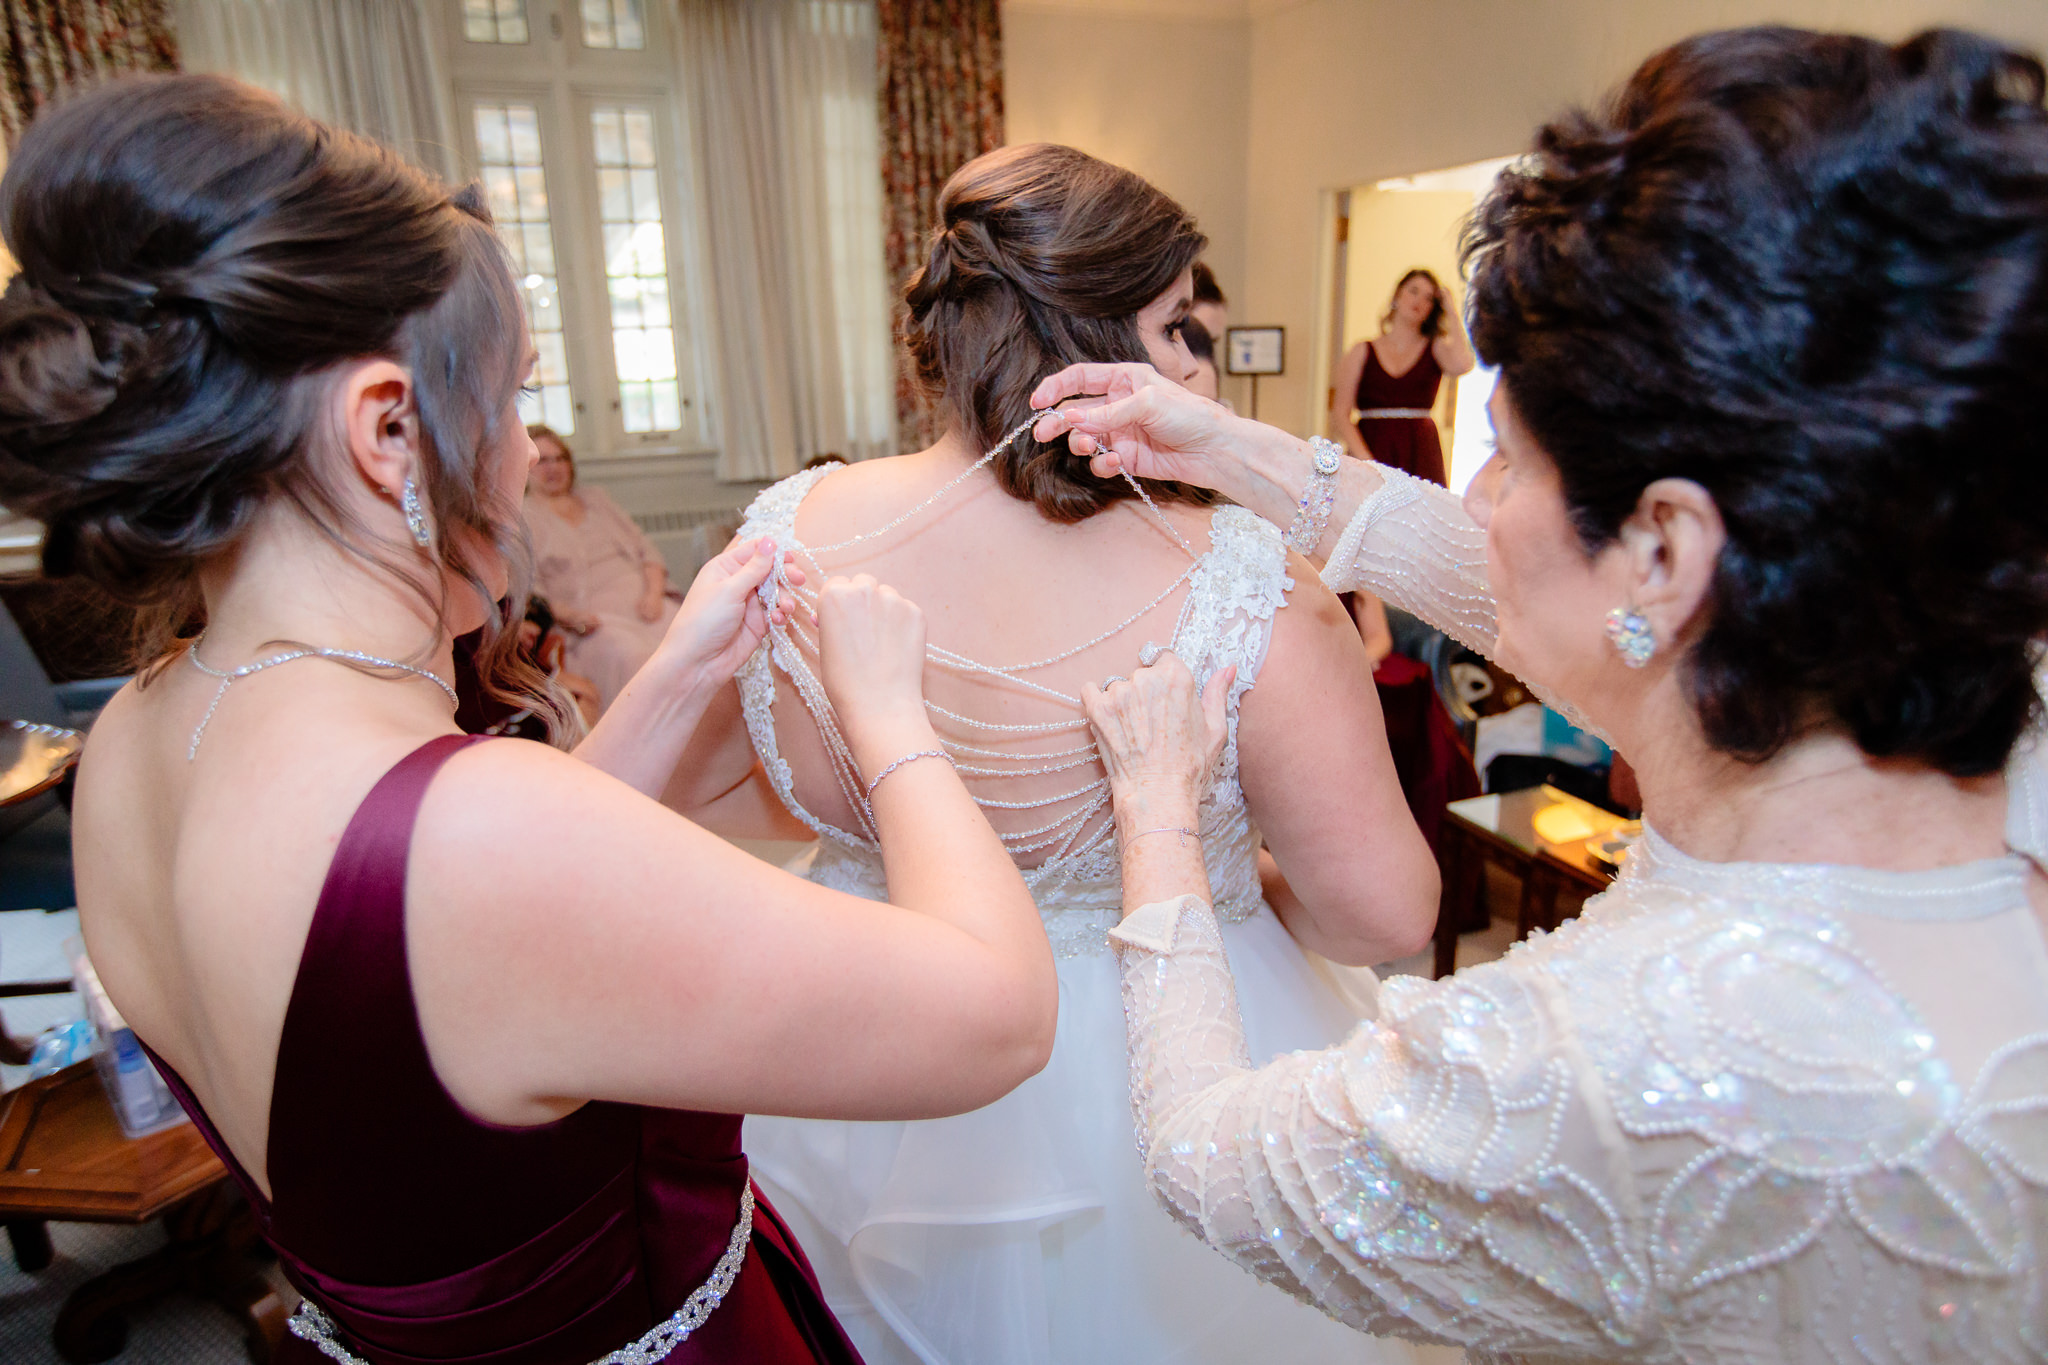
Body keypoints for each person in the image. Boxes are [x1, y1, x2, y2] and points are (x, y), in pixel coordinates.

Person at [0, 75, 1064, 1365]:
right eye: (505, 401)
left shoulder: (128, 743)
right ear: (390, 429)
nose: (515, 454)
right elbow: (995, 1014)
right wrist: (891, 716)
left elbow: (449, 989)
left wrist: (671, 675)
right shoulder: (478, 832)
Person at [1032, 24, 2048, 1360]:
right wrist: (1235, 449)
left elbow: (1205, 1157)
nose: (1475, 499)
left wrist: (1157, 813)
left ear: (1666, 548)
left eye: (1504, 457)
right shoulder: (1976, 689)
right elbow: (1537, 589)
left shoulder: (1608, 1062)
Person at [678, 142, 1437, 1365]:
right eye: (1178, 322)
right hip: (1166, 1059)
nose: (1192, 359)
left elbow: (717, 792)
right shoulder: (1243, 583)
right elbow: (1383, 912)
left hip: (861, 1048)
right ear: (1114, 335)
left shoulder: (787, 535)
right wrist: (1222, 872)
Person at [523, 423, 679, 711]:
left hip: (645, 604)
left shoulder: (596, 499)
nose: (553, 468)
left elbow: (647, 550)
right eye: (543, 461)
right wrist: (570, 616)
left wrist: (654, 594)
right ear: (526, 466)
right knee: (636, 658)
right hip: (590, 621)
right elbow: (529, 593)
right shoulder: (521, 518)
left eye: (560, 459)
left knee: (694, 641)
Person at [1329, 268, 1474, 485]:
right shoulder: (1362, 351)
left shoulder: (1434, 349)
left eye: (1428, 298)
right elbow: (1340, 413)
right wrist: (1368, 461)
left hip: (1421, 451)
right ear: (1397, 295)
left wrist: (1452, 312)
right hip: (1371, 447)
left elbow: (1463, 364)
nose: (1419, 301)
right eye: (1413, 291)